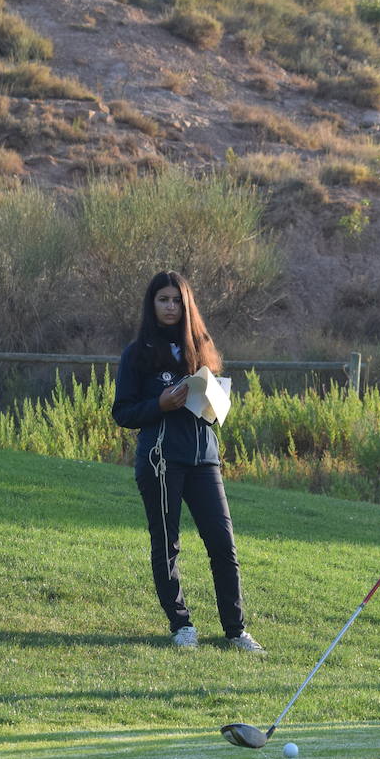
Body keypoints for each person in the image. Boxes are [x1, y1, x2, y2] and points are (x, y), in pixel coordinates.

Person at [112, 271, 263, 652]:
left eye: (177, 300)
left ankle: (236, 630)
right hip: (161, 461)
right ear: (152, 304)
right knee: (166, 543)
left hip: (204, 459)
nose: (170, 307)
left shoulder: (202, 347)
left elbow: (214, 406)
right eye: (163, 300)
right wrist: (159, 404)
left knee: (223, 544)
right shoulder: (137, 353)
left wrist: (214, 399)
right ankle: (181, 626)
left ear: (187, 305)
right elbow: (123, 412)